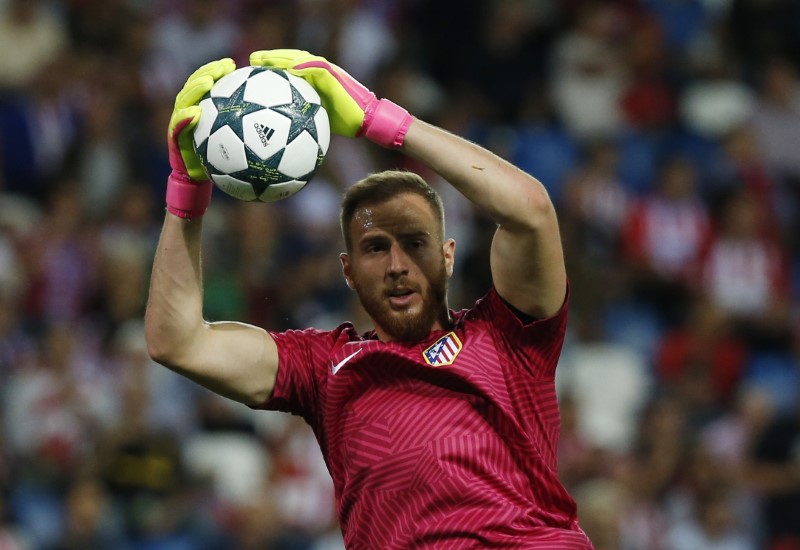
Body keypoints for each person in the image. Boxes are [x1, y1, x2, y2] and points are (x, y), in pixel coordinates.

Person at [144, 49, 593, 549]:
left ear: (448, 256)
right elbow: (177, 342)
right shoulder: (322, 369)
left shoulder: (509, 337)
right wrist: (187, 190)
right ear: (349, 272)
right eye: (376, 248)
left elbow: (530, 211)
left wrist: (385, 121)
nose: (397, 264)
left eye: (414, 242)